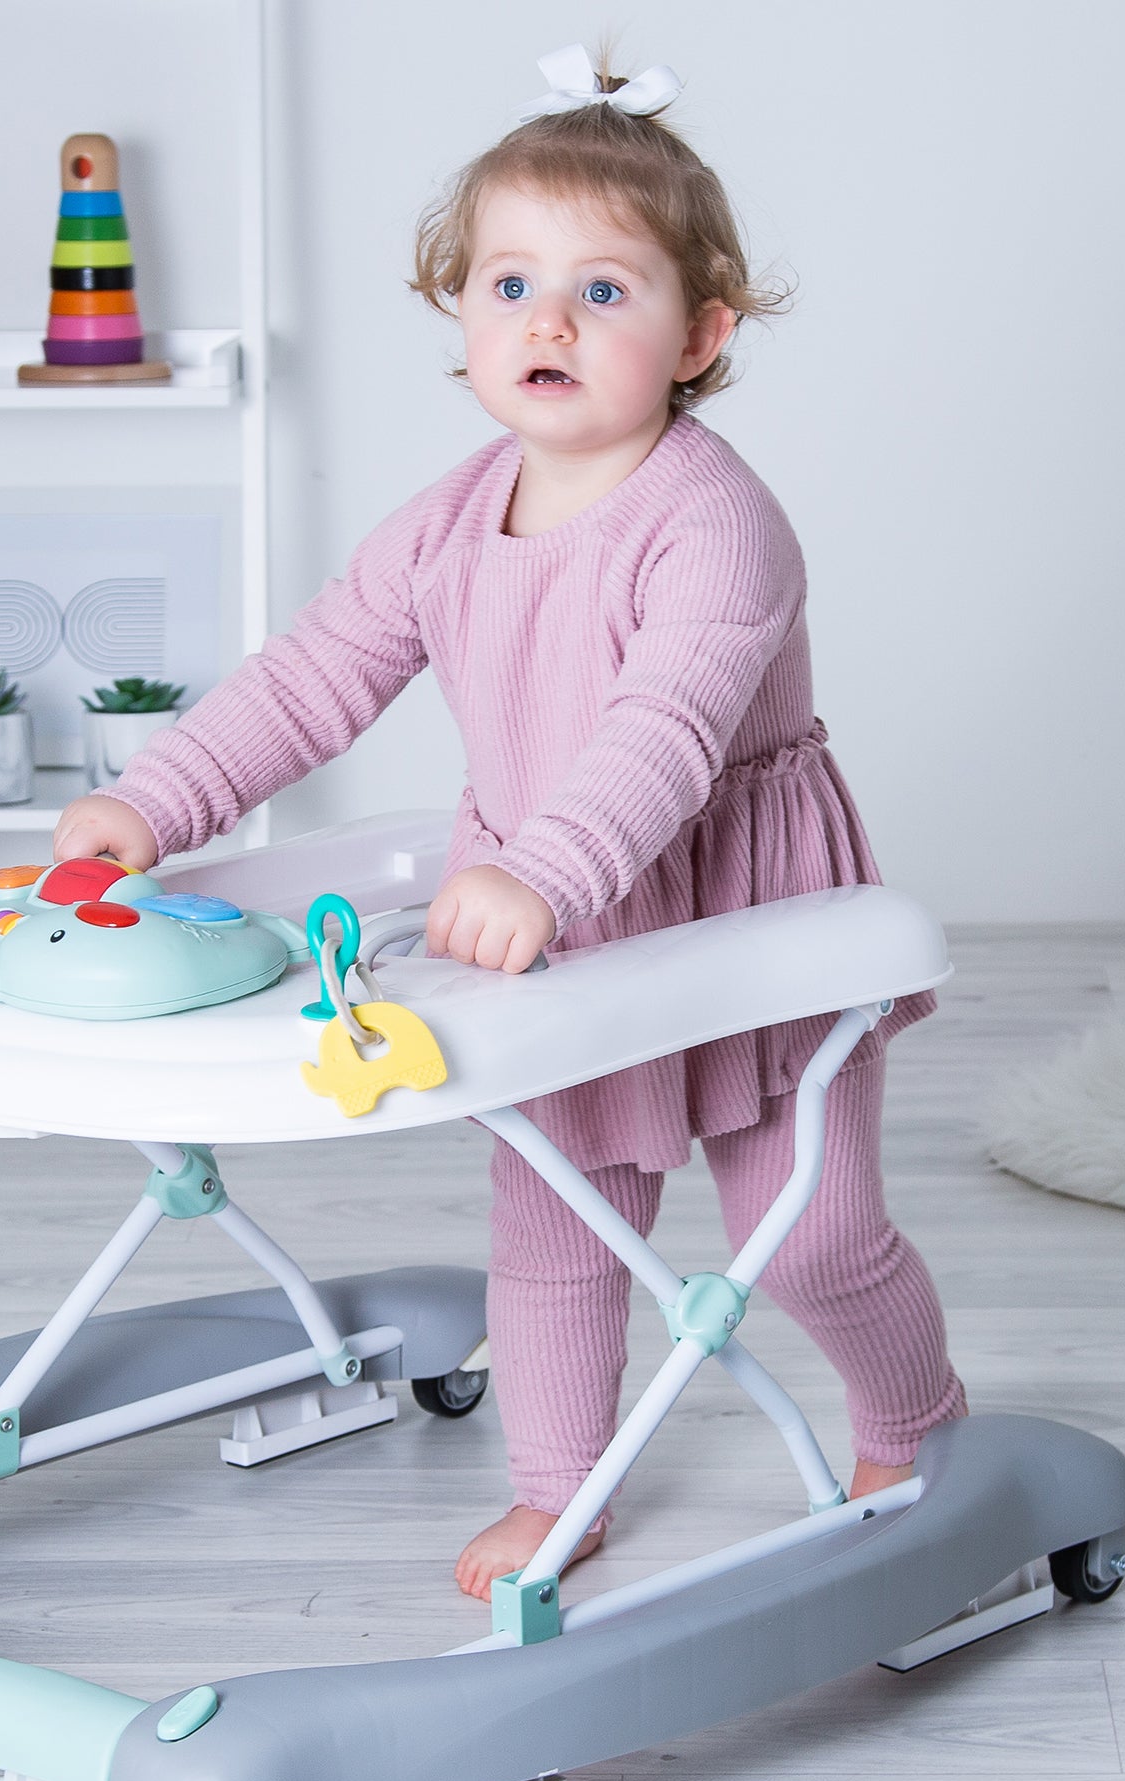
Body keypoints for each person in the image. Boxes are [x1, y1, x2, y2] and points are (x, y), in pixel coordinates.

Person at [52, 50, 965, 1600]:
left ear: (703, 336)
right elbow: (316, 678)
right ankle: (564, 1488)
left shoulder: (715, 520)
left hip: (741, 909)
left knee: (806, 1228)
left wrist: (543, 861)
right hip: (549, 916)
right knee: (554, 1224)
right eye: (511, 282)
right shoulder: (450, 514)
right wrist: (153, 803)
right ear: (461, 315)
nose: (549, 320)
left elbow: (666, 726)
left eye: (606, 291)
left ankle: (917, 1420)